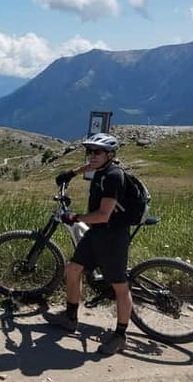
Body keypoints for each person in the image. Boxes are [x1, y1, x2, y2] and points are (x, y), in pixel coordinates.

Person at [43, 132, 132, 356]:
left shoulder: (113, 176)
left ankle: (120, 336)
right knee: (72, 269)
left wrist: (76, 218)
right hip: (97, 234)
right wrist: (70, 174)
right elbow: (90, 167)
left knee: (120, 287)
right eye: (89, 151)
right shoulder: (101, 168)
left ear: (110, 155)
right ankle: (70, 317)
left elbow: (103, 215)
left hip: (113, 236)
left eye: (97, 152)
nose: (92, 156)